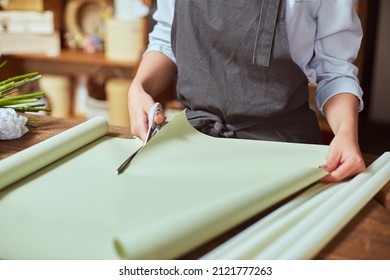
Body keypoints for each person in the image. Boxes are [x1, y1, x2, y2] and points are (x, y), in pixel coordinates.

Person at [127, 0, 366, 182]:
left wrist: (346, 133)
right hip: (195, 146)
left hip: (283, 153)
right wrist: (139, 87)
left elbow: (334, 71)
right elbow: (167, 38)